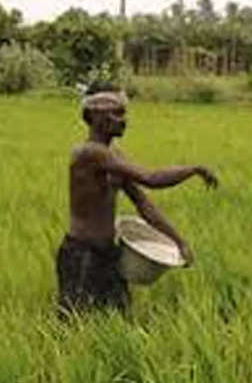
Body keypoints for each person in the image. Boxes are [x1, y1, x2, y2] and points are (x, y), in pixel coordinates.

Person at [56, 82, 218, 315]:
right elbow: (150, 178)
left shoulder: (114, 156)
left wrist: (177, 241)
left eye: (124, 113)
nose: (123, 120)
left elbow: (143, 203)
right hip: (82, 255)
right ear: (95, 115)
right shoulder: (89, 154)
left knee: (118, 317)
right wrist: (193, 169)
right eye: (117, 113)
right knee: (74, 323)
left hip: (108, 253)